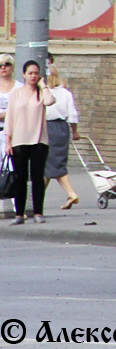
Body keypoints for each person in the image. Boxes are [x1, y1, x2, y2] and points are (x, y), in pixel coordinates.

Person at [4, 60, 55, 225]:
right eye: (30, 73)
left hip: (39, 140)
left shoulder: (41, 93)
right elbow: (10, 118)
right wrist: (8, 140)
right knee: (20, 177)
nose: (33, 76)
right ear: (24, 74)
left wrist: (43, 85)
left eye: (36, 73)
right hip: (19, 140)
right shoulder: (16, 94)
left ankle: (38, 212)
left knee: (37, 177)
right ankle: (19, 214)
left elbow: (50, 101)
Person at [43, 54, 81, 209]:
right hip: (62, 129)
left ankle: (71, 194)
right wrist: (75, 132)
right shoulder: (65, 93)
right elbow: (72, 115)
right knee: (52, 164)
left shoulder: (44, 93)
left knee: (51, 164)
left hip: (47, 128)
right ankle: (35, 199)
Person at [0, 54, 21, 216]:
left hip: (14, 133)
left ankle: (18, 206)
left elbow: (22, 109)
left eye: (6, 64)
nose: (3, 68)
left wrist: (8, 113)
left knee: (14, 169)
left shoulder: (19, 88)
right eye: (0, 65)